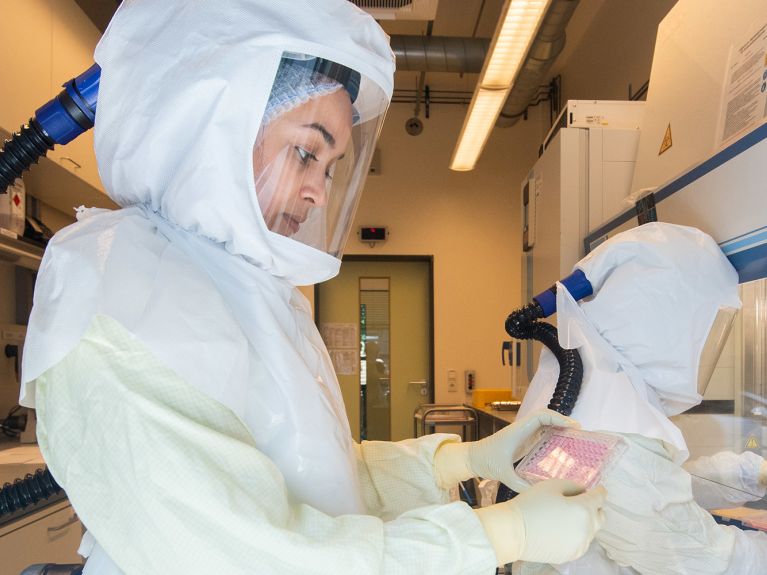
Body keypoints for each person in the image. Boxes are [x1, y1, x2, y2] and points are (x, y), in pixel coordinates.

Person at [18, 1, 606, 573]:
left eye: (329, 168)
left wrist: (463, 459)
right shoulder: (124, 290)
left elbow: (313, 474)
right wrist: (492, 536)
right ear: (210, 121)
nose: (320, 193)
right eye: (306, 152)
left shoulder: (248, 291)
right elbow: (249, 556)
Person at [512, 223, 767, 575]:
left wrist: (748, 474)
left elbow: (649, 500)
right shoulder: (614, 439)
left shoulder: (588, 396)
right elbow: (708, 561)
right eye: (707, 328)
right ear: (664, 323)